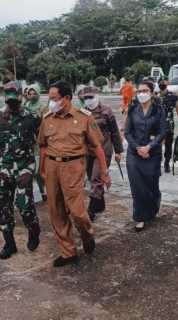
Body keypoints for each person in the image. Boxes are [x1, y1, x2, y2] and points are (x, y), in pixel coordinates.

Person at [38, 81, 111, 267]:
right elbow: (43, 146)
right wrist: (42, 169)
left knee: (77, 211)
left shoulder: (84, 118)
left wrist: (104, 172)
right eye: (50, 98)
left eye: (54, 98)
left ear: (67, 98)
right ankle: (68, 251)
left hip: (73, 166)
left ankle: (86, 234)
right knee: (56, 210)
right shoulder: (47, 118)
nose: (51, 102)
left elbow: (97, 147)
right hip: (52, 165)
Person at [0, 82, 41, 260]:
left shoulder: (32, 117)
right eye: (9, 100)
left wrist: (42, 165)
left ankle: (33, 228)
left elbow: (41, 142)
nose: (12, 103)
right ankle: (9, 243)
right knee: (3, 206)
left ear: (21, 97)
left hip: (24, 167)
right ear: (5, 98)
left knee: (24, 204)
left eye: (15, 99)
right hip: (4, 167)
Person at [125, 80, 167, 232]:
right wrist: (137, 148)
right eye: (139, 91)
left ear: (151, 92)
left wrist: (149, 146)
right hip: (134, 153)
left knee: (151, 185)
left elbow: (163, 132)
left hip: (153, 153)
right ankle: (140, 217)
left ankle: (153, 206)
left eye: (145, 90)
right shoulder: (132, 109)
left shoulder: (158, 109)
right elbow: (127, 132)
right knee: (137, 186)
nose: (141, 94)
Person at [81, 86, 123, 221]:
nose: (88, 100)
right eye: (85, 98)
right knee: (92, 178)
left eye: (90, 97)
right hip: (88, 152)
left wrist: (118, 151)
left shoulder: (106, 111)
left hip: (103, 150)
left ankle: (91, 210)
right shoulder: (82, 112)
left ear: (97, 96)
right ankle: (100, 204)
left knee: (96, 178)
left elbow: (115, 132)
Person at [24, 84, 47, 201]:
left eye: (34, 93)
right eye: (30, 93)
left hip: (40, 142)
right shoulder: (25, 106)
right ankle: (41, 192)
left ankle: (46, 189)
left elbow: (47, 123)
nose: (32, 95)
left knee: (39, 170)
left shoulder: (43, 107)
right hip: (28, 142)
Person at [159, 78, 178, 173]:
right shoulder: (154, 97)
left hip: (169, 125)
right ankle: (158, 162)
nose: (162, 84)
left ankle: (166, 162)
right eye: (160, 82)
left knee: (168, 145)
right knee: (157, 144)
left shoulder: (172, 96)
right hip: (157, 125)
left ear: (167, 84)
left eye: (163, 82)